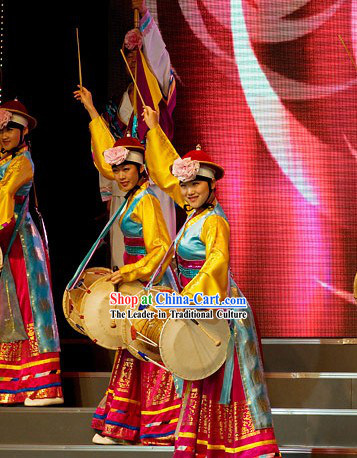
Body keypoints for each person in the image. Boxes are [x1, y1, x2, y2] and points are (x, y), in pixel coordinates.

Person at [143, 106, 280, 457]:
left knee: (225, 379)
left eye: (195, 184)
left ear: (211, 184)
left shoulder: (214, 221)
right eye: (184, 184)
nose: (187, 191)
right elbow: (161, 170)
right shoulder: (194, 215)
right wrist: (155, 130)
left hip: (215, 305)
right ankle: (203, 443)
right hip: (196, 303)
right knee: (199, 373)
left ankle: (241, 446)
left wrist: (187, 298)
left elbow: (217, 262)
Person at [86, 127, 181, 445]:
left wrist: (131, 272)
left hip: (152, 286)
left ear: (141, 168)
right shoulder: (129, 200)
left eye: (127, 168)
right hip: (134, 286)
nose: (121, 175)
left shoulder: (147, 201)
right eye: (117, 169)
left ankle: (160, 426)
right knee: (130, 352)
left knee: (152, 353)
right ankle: (124, 424)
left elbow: (161, 249)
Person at [74, 0, 176, 268]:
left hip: (154, 183)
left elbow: (160, 57)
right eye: (128, 57)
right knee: (123, 258)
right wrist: (107, 192)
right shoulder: (116, 105)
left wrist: (144, 17)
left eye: (138, 56)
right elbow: (108, 147)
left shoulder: (157, 93)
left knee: (157, 255)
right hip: (124, 187)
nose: (133, 61)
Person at [0, 100, 63, 406]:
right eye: (1, 128)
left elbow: (5, 195)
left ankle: (42, 384)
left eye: (11, 128)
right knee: (9, 308)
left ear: (23, 131)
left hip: (20, 244)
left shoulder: (22, 162)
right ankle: (12, 382)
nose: (5, 134)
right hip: (4, 243)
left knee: (30, 308)